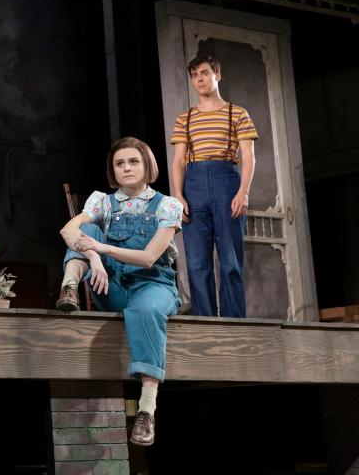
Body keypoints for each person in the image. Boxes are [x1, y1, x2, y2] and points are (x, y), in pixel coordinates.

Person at [55, 137, 183, 446]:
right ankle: (69, 286)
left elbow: (150, 257)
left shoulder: (167, 206)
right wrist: (94, 257)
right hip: (113, 284)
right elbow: (67, 230)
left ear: (147, 165)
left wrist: (101, 247)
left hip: (154, 284)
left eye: (133, 162)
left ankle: (147, 409)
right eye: (119, 163)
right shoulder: (102, 201)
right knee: (86, 229)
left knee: (144, 310)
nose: (126, 168)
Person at [170, 54, 258, 317]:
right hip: (194, 184)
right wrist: (178, 195)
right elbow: (178, 161)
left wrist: (243, 192)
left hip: (225, 180)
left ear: (217, 75)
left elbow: (249, 156)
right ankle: (206, 322)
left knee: (230, 260)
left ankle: (234, 323)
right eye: (195, 75)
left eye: (205, 73)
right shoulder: (184, 118)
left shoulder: (237, 113)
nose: (200, 79)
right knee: (197, 262)